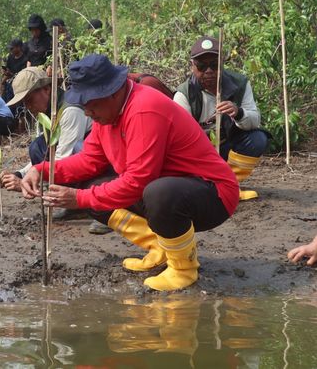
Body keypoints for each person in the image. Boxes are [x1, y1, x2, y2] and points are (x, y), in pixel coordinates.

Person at [21, 54, 239, 291]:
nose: (86, 112)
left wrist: (77, 200)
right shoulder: (107, 116)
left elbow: (138, 181)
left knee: (156, 193)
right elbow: (88, 161)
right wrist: (40, 170)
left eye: (90, 103)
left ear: (112, 93)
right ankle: (160, 248)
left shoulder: (143, 109)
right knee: (88, 187)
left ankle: (184, 268)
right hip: (170, 186)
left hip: (213, 193)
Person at [174, 36, 269, 200]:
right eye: (202, 66)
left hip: (227, 147)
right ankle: (208, 185)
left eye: (214, 65)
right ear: (193, 67)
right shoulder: (183, 94)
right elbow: (180, 141)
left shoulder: (240, 84)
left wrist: (238, 112)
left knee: (258, 139)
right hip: (200, 154)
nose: (209, 71)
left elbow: (255, 120)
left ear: (222, 64)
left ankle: (230, 185)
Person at [0, 68, 94, 224]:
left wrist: (29, 184)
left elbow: (63, 160)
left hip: (98, 165)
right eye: (24, 102)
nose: (27, 106)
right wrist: (20, 174)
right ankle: (77, 208)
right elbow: (47, 153)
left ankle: (90, 205)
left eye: (29, 99)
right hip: (79, 163)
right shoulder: (49, 113)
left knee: (41, 149)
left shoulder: (69, 111)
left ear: (47, 89)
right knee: (38, 146)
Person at [1, 38, 29, 104]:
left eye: (12, 48)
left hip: (20, 87)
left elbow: (23, 75)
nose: (10, 50)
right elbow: (8, 68)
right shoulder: (10, 57)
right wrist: (5, 72)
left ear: (18, 47)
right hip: (9, 85)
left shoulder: (25, 59)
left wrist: (11, 74)